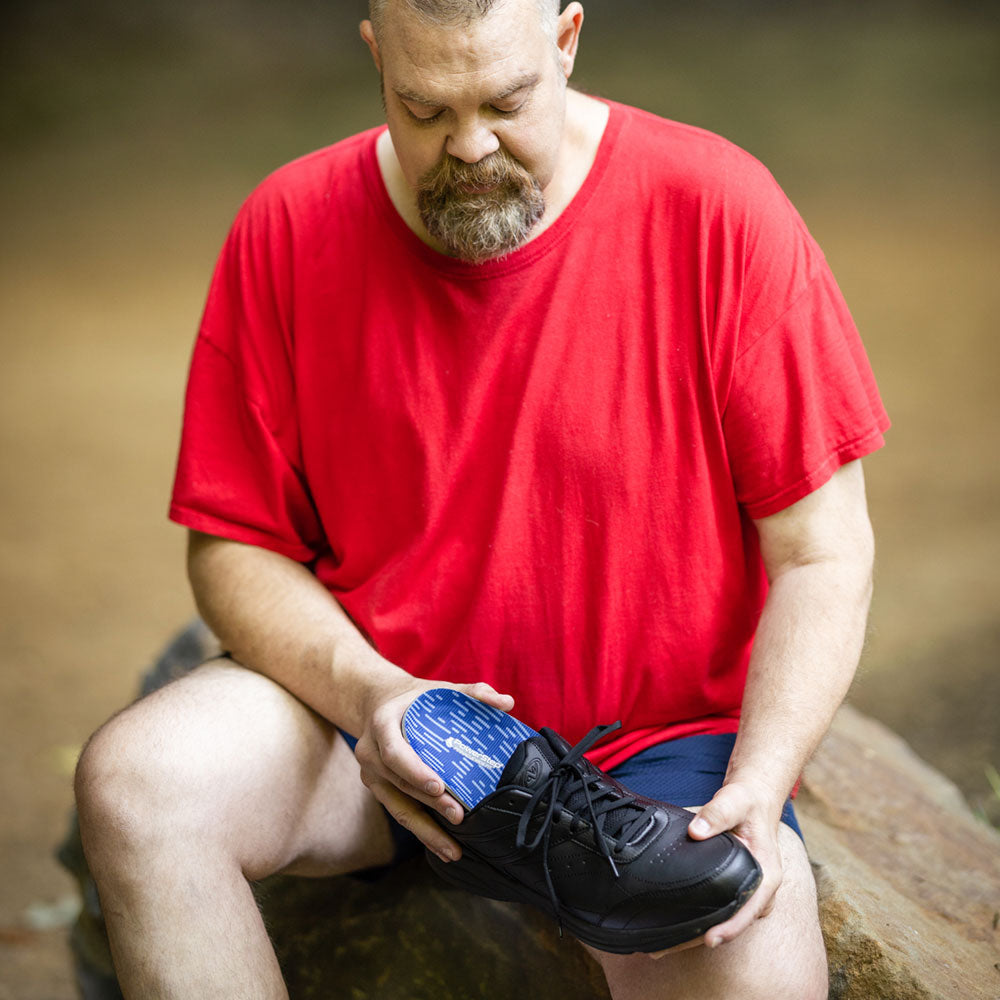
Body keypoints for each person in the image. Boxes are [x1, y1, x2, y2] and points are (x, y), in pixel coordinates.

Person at [74, 0, 888, 997]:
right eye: (424, 109)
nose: (468, 145)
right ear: (376, 57)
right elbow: (235, 544)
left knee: (754, 962)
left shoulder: (718, 206)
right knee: (139, 783)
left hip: (650, 759)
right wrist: (370, 693)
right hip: (381, 732)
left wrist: (758, 789)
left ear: (567, 37)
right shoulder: (286, 223)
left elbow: (821, 550)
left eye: (506, 102)